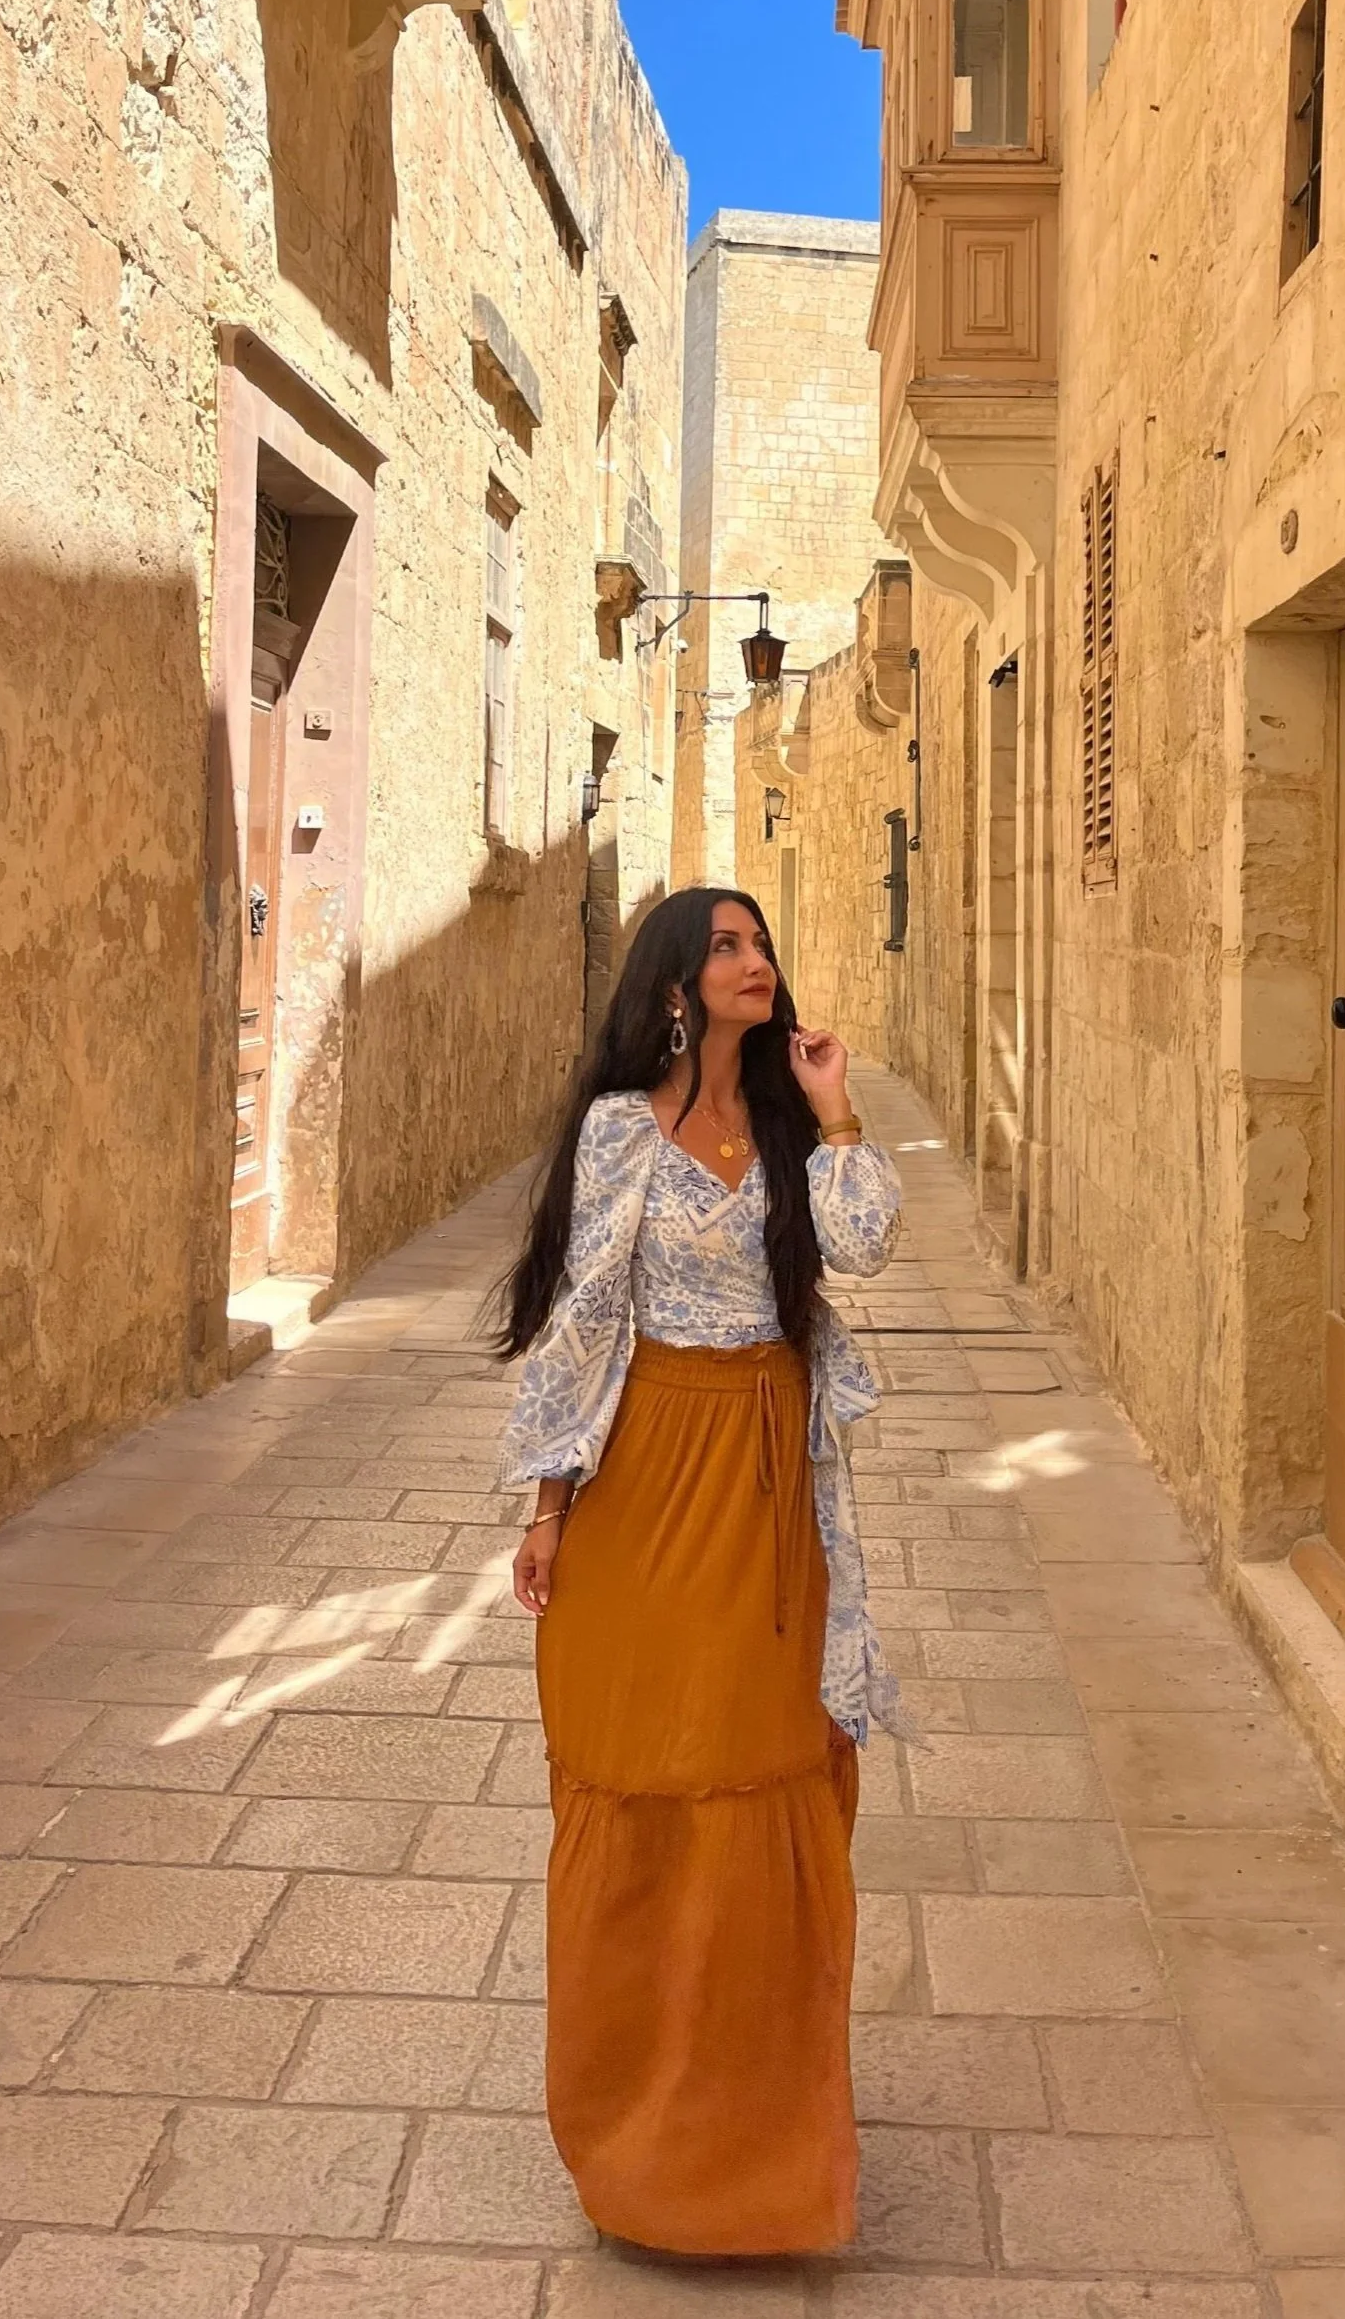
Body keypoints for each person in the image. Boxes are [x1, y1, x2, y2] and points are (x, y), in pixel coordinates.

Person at [494, 885, 907, 2257]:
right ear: (675, 979)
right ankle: (639, 2148)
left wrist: (836, 1102)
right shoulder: (623, 1129)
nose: (754, 961)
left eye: (761, 943)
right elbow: (581, 1316)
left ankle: (764, 2154)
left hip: (766, 1482)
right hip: (645, 1478)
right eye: (725, 945)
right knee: (646, 1775)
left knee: (765, 1767)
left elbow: (862, 1243)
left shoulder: (788, 1127)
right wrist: (549, 1503)